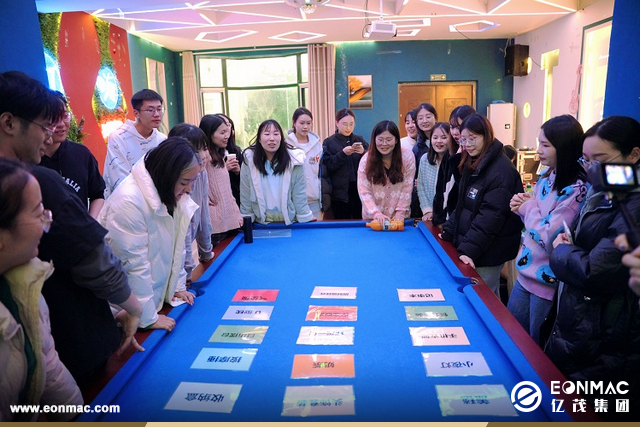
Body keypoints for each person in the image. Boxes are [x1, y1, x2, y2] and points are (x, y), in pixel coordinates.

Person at [0, 71, 143, 384]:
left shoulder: (75, 157)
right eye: (44, 126)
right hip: (70, 343)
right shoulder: (37, 181)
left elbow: (97, 195)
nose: (49, 135)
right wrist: (134, 308)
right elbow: (95, 260)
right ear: (9, 123)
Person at [547, 116, 640, 418]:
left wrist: (562, 250)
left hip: (607, 333)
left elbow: (596, 271)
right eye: (586, 160)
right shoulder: (604, 188)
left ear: (633, 155)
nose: (590, 168)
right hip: (580, 320)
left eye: (600, 160)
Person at [0, 158, 83, 421]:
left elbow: (47, 362)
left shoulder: (26, 279)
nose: (48, 219)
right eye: (38, 213)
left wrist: (75, 415)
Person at [99, 138, 200, 330]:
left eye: (192, 181)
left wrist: (176, 287)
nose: (189, 189)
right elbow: (135, 267)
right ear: (167, 175)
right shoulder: (129, 202)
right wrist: (147, 318)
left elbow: (175, 249)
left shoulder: (168, 194)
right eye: (184, 182)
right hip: (119, 314)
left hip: (151, 303)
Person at [506, 115, 587, 346]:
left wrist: (527, 207)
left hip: (547, 285)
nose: (539, 150)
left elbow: (548, 237)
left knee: (536, 349)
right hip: (525, 276)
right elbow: (538, 218)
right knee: (512, 339)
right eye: (539, 143)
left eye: (546, 145)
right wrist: (523, 205)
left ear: (565, 148)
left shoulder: (576, 190)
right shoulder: (547, 177)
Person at [440, 113, 523, 295]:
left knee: (486, 299)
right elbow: (462, 205)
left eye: (472, 138)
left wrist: (468, 250)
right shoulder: (473, 161)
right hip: (476, 245)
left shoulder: (501, 171)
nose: (467, 144)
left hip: (489, 250)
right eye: (463, 139)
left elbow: (490, 217)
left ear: (486, 136)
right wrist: (447, 232)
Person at [39, 92, 105, 218]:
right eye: (54, 118)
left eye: (65, 116)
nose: (61, 124)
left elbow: (98, 194)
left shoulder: (81, 154)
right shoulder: (28, 159)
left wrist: (90, 223)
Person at [240, 119, 314, 225]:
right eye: (267, 134)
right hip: (261, 222)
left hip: (288, 221)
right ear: (259, 139)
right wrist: (246, 220)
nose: (272, 138)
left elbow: (299, 194)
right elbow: (245, 193)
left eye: (276, 134)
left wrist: (305, 215)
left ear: (281, 138)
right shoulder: (249, 160)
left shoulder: (295, 160)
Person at [167, 124, 214, 282]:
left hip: (181, 263)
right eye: (197, 150)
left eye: (205, 148)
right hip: (169, 262)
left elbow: (204, 214)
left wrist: (206, 252)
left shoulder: (201, 173)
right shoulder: (174, 180)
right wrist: (187, 274)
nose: (204, 155)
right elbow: (183, 231)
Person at [103, 89, 167, 197]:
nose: (156, 114)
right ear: (136, 113)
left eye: (159, 109)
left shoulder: (163, 140)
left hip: (157, 200)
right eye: (150, 110)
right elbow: (120, 179)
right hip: (125, 201)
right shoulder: (119, 138)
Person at [357, 120, 415, 224]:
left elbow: (407, 188)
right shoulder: (365, 161)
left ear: (396, 140)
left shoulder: (407, 157)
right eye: (380, 140)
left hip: (399, 219)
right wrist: (376, 214)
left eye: (389, 139)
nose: (384, 144)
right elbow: (364, 192)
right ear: (374, 140)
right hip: (373, 219)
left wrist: (400, 213)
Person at [199, 115, 244, 246]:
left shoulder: (219, 155)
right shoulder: (205, 157)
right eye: (222, 132)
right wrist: (203, 198)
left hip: (229, 221)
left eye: (227, 132)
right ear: (210, 134)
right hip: (216, 226)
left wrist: (236, 213)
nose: (227, 136)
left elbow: (227, 192)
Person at [432, 105, 476, 227]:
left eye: (459, 127)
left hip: (466, 222)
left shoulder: (475, 155)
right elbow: (440, 188)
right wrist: (438, 219)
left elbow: (464, 188)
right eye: (452, 127)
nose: (455, 132)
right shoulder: (449, 152)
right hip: (447, 219)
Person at [322, 108, 368, 219]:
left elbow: (373, 159)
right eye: (345, 124)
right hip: (339, 193)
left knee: (359, 222)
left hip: (358, 189)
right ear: (337, 123)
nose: (348, 128)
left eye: (351, 124)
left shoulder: (359, 139)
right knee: (342, 222)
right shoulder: (329, 142)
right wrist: (342, 154)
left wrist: (364, 152)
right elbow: (328, 166)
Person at [286, 107, 322, 219]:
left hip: (313, 198)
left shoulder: (317, 145)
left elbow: (320, 172)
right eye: (302, 123)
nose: (305, 127)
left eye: (308, 123)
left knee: (316, 228)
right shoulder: (286, 145)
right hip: (292, 199)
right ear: (294, 123)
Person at [417, 122, 452, 222]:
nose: (439, 141)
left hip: (449, 217)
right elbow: (420, 186)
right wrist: (427, 211)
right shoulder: (425, 159)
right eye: (435, 137)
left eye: (444, 137)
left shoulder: (455, 161)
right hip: (430, 216)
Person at [410, 102, 438, 217]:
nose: (424, 121)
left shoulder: (445, 141)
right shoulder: (417, 148)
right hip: (423, 199)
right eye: (420, 118)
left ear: (435, 118)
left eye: (428, 116)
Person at [216, 113, 243, 206]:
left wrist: (238, 172)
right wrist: (224, 169)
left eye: (228, 124)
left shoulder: (236, 151)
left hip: (236, 198)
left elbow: (245, 182)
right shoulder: (209, 155)